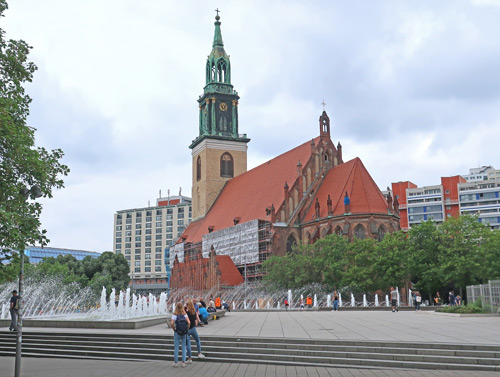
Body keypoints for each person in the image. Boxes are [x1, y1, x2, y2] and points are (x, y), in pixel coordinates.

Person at [170, 302, 190, 367]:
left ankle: (176, 363)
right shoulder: (185, 314)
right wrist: (187, 329)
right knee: (184, 347)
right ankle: (183, 362)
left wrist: (174, 329)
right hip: (184, 332)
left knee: (176, 347)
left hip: (177, 332)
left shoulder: (174, 315)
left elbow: (171, 323)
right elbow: (189, 322)